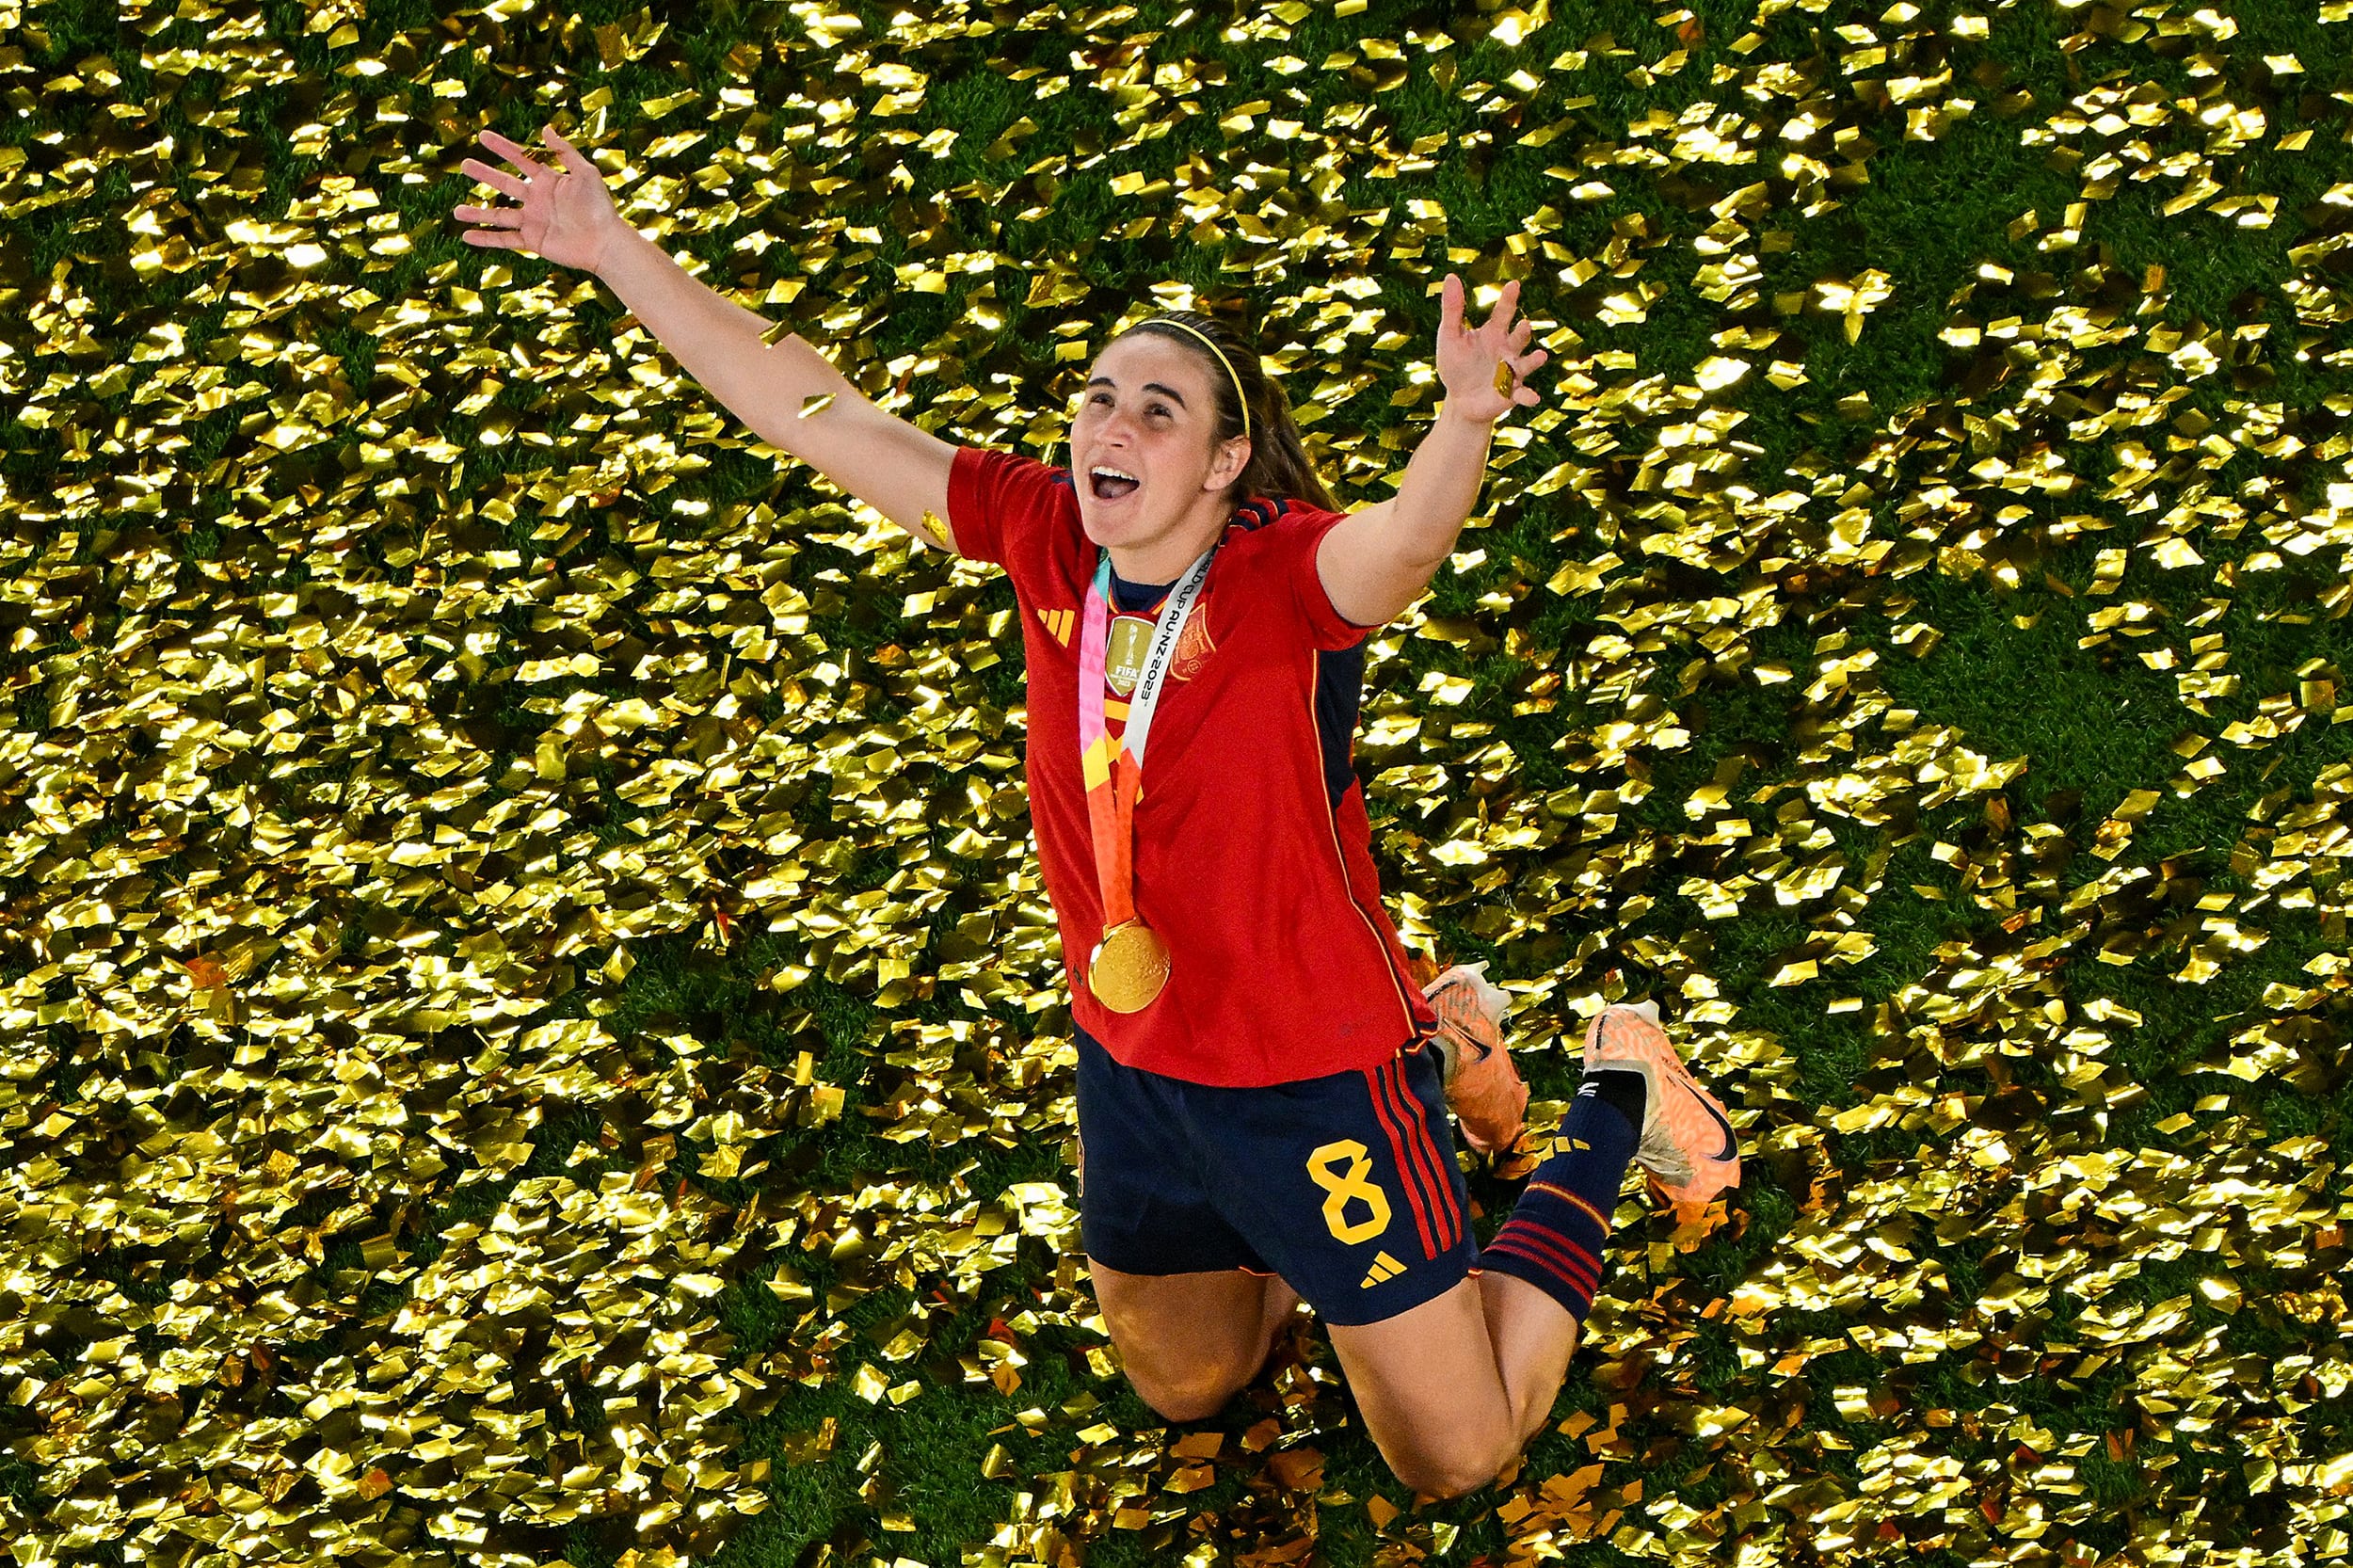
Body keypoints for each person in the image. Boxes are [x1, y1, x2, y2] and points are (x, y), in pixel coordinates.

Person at [453, 123, 1741, 1498]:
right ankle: (1449, 1060)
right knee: (1190, 1380)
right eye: (1098, 396)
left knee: (1458, 1454)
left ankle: (1612, 1089)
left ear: (1226, 462)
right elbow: (810, 408)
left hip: (1312, 1074)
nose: (1108, 428)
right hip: (1137, 1056)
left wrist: (1463, 420)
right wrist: (610, 250)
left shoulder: (1290, 581)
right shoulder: (1045, 534)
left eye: (1158, 410)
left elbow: (1404, 544)